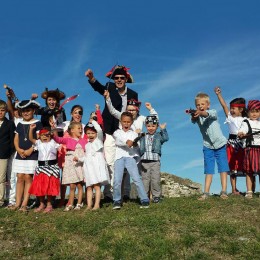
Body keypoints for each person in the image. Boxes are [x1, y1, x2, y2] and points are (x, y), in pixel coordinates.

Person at [85, 65, 138, 202]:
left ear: (126, 79)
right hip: (109, 131)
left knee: (126, 161)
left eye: (121, 78)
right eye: (116, 78)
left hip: (125, 132)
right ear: (113, 79)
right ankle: (109, 194)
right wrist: (92, 78)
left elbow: (135, 112)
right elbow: (98, 87)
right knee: (109, 162)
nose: (119, 80)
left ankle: (125, 193)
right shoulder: (109, 88)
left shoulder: (133, 94)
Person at [191, 93, 229, 200]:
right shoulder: (198, 116)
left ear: (208, 105)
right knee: (208, 169)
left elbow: (206, 114)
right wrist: (193, 115)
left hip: (220, 144)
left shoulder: (213, 112)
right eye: (198, 105)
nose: (200, 106)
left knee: (223, 168)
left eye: (203, 104)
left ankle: (224, 191)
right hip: (207, 146)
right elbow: (193, 120)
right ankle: (206, 193)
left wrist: (200, 112)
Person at [9, 100, 42, 212]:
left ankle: (24, 204)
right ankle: (17, 203)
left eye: (28, 110)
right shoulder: (19, 123)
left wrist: (30, 150)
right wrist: (18, 149)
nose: (26, 113)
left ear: (33, 110)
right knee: (19, 177)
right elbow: (16, 138)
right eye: (23, 111)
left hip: (32, 154)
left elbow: (39, 139)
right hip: (20, 154)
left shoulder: (38, 122)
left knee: (28, 177)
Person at [112, 112, 150, 209]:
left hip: (130, 157)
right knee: (117, 180)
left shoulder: (134, 134)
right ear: (121, 122)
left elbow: (136, 148)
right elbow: (118, 141)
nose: (126, 124)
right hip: (119, 158)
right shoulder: (117, 132)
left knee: (137, 178)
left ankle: (144, 199)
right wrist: (126, 142)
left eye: (128, 122)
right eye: (124, 121)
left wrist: (136, 145)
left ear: (131, 122)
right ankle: (116, 200)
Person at [214, 87, 247, 195]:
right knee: (232, 167)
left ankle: (250, 190)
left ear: (241, 109)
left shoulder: (247, 120)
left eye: (234, 108)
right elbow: (224, 106)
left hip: (243, 144)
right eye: (231, 108)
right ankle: (234, 189)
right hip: (231, 145)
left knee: (246, 166)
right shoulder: (230, 118)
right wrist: (219, 95)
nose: (231, 110)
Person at [54, 105, 86, 207]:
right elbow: (56, 132)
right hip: (65, 154)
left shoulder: (84, 126)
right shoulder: (65, 124)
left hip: (79, 155)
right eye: (75, 112)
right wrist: (53, 126)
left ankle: (78, 200)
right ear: (71, 113)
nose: (78, 114)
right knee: (66, 177)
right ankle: (63, 199)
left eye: (80, 112)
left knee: (80, 177)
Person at [74, 120, 109, 210]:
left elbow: (100, 130)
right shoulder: (87, 145)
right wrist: (79, 159)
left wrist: (93, 121)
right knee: (89, 187)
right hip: (89, 168)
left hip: (96, 168)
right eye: (88, 133)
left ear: (96, 133)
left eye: (92, 133)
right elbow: (86, 157)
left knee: (97, 186)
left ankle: (97, 204)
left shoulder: (99, 141)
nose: (90, 135)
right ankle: (89, 205)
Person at [28, 125, 61, 212]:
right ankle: (42, 203)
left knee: (50, 187)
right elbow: (31, 138)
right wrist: (31, 129)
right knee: (40, 187)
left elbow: (58, 140)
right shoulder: (38, 143)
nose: (45, 137)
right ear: (39, 136)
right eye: (43, 135)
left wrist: (53, 129)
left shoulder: (53, 142)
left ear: (50, 136)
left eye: (47, 135)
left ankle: (49, 204)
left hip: (52, 168)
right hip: (41, 167)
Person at [139, 116, 169, 203]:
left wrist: (163, 129)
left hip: (155, 161)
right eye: (148, 126)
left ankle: (156, 197)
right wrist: (137, 134)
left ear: (156, 126)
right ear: (146, 126)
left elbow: (166, 138)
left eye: (153, 126)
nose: (151, 128)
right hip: (144, 161)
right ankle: (144, 197)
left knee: (155, 179)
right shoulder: (143, 135)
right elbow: (137, 142)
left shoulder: (159, 135)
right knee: (145, 180)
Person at [238, 100, 260, 199]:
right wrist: (241, 133)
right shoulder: (246, 122)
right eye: (252, 111)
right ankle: (249, 191)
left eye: (257, 111)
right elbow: (242, 131)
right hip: (250, 150)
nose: (254, 114)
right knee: (249, 171)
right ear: (248, 112)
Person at [0, 100, 15, 207]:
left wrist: (8, 152)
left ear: (5, 111)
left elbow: (12, 140)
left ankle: (0, 200)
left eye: (2, 110)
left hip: (3, 155)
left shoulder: (9, 123)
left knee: (1, 179)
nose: (0, 112)